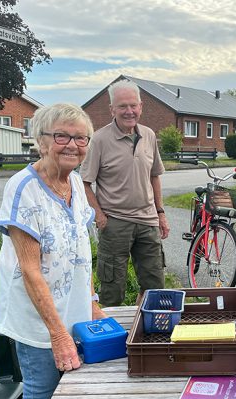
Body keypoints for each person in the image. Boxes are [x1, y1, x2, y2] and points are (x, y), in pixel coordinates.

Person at [0, 103, 106, 399]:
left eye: (81, 138)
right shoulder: (23, 189)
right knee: (41, 395)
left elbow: (81, 254)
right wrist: (57, 334)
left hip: (72, 308)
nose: (72, 144)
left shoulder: (75, 186)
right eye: (61, 136)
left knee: (61, 391)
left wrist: (93, 301)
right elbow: (30, 270)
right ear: (41, 141)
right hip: (37, 319)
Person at [80, 79, 169, 306]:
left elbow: (154, 176)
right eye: (122, 106)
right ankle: (113, 336)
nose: (129, 111)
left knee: (155, 284)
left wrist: (160, 213)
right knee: (112, 288)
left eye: (133, 105)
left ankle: (143, 331)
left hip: (148, 222)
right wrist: (99, 216)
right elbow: (85, 182)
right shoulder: (99, 139)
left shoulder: (149, 135)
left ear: (141, 106)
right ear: (112, 109)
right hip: (115, 223)